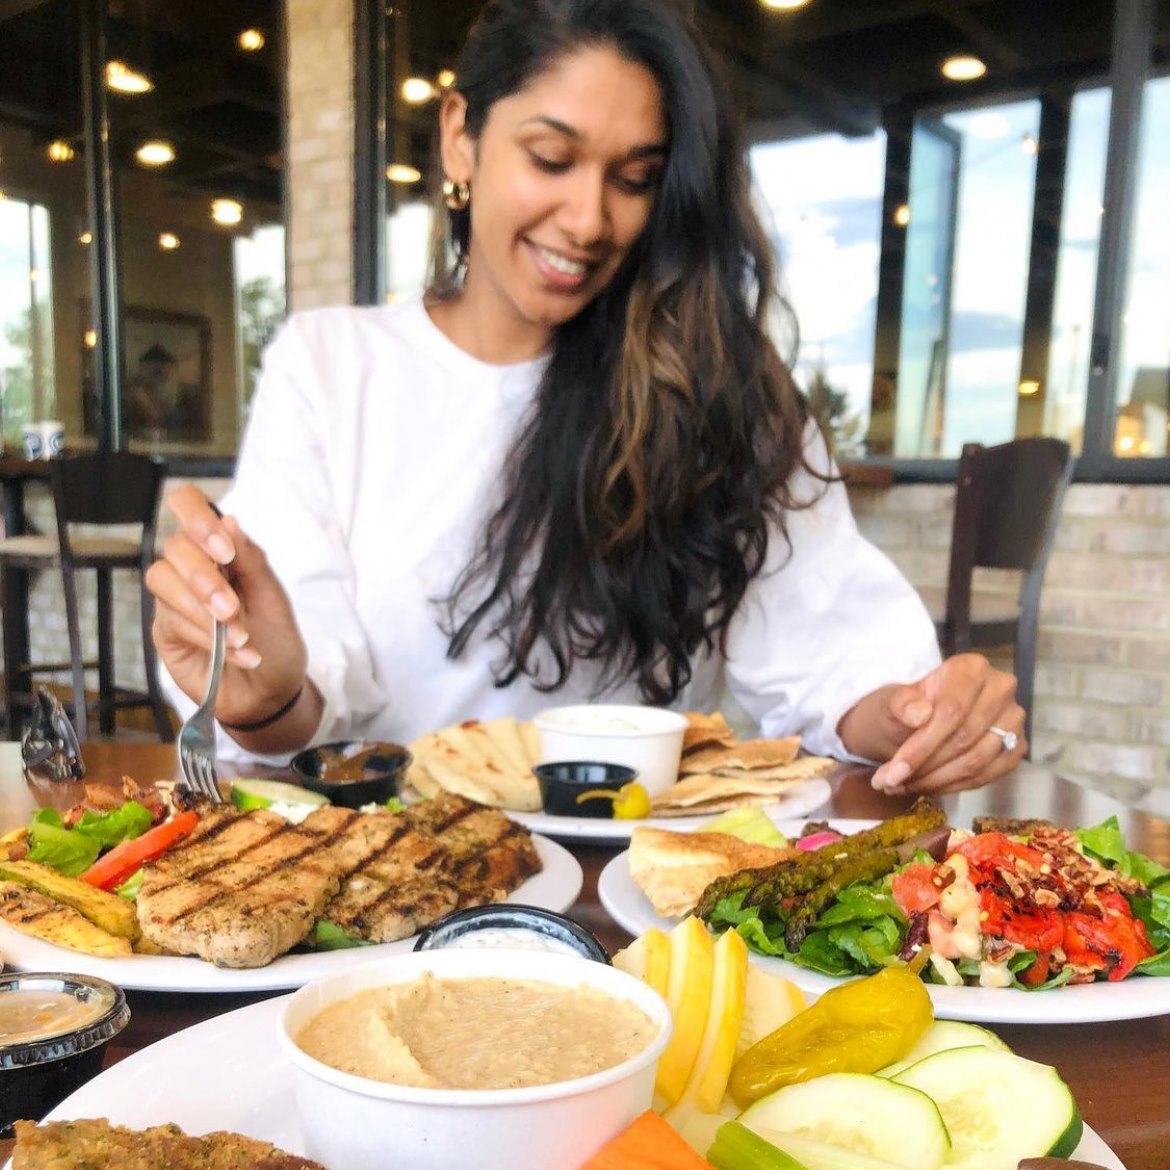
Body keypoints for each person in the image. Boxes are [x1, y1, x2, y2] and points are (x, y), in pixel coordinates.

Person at [148, 0, 1025, 796]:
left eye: (634, 178)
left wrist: (922, 717)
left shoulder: (719, 385)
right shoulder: (330, 366)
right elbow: (299, 708)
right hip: (386, 871)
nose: (589, 220)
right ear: (460, 136)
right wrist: (261, 690)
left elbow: (831, 660)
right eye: (552, 158)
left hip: (635, 884)